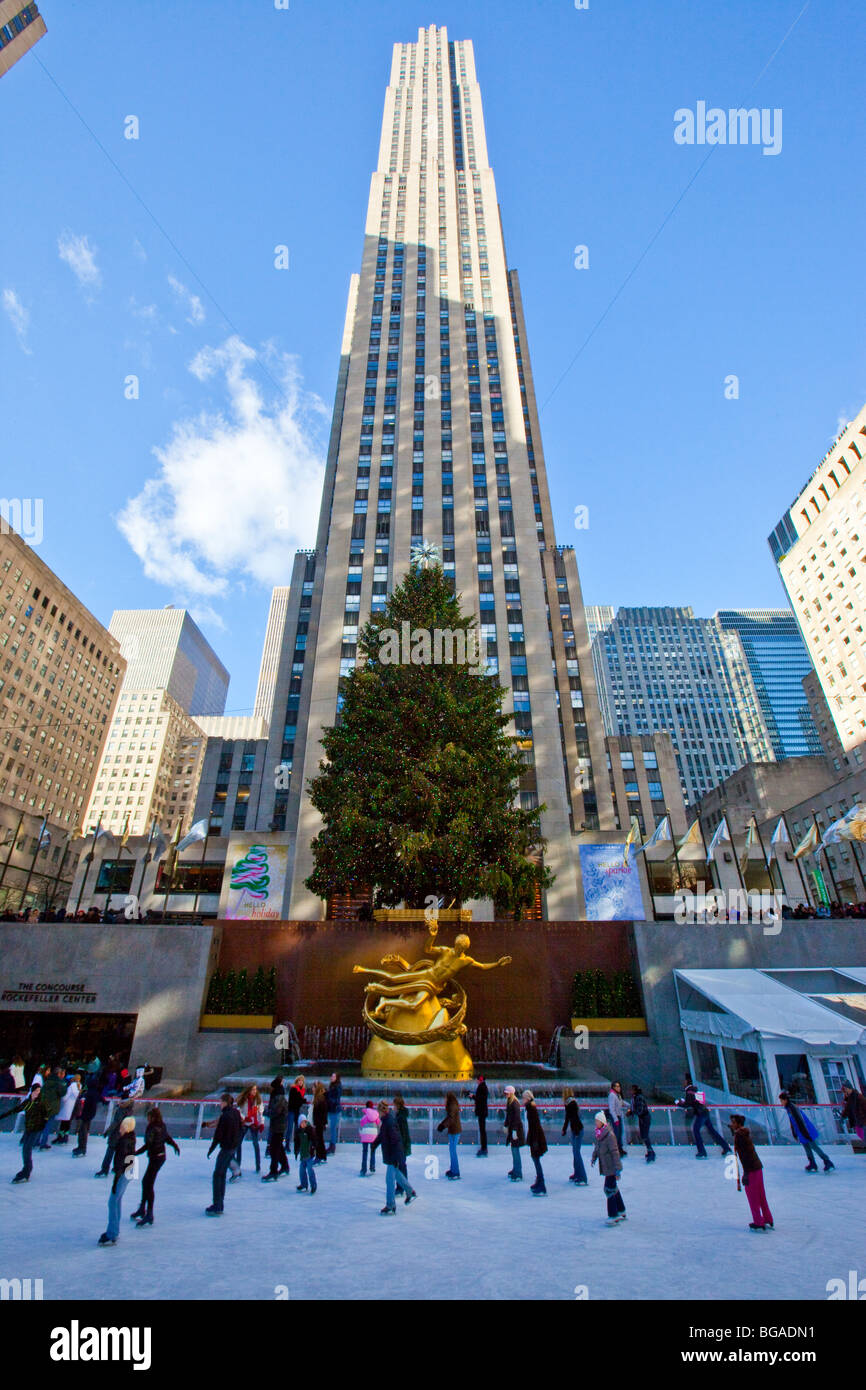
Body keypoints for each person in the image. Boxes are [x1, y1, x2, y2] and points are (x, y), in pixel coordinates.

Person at [130, 1105, 179, 1227]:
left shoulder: (151, 1128)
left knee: (148, 1183)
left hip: (156, 1158)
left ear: (151, 1117)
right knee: (146, 1182)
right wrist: (174, 1145)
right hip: (160, 1157)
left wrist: (135, 1153)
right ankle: (143, 1209)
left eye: (148, 1116)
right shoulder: (162, 1125)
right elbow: (167, 1137)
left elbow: (148, 1144)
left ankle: (149, 1213)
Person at [729, 1114, 773, 1232]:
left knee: (752, 1197)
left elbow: (745, 1155)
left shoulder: (739, 1136)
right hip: (757, 1167)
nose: (732, 1125)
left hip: (751, 1170)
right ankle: (767, 1218)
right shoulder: (743, 1133)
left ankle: (758, 1222)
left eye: (733, 1123)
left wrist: (746, 1173)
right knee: (761, 1195)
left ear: (738, 1124)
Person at [373, 1100, 417, 1214]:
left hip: (394, 1155)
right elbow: (382, 1136)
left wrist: (396, 1157)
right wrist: (374, 1145)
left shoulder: (389, 1122)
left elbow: (395, 1140)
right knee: (397, 1175)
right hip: (393, 1155)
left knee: (389, 1180)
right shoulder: (387, 1121)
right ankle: (410, 1191)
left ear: (381, 1112)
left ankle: (390, 1205)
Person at [98, 1116, 137, 1245]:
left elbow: (121, 1162)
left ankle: (112, 1233)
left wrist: (116, 1180)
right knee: (117, 1200)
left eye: (121, 1126)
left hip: (124, 1172)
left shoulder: (123, 1142)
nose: (119, 1128)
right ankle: (114, 1230)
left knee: (113, 1201)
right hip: (129, 1170)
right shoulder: (131, 1137)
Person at [206, 1093, 243, 1216]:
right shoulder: (236, 1113)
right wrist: (237, 1143)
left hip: (226, 1148)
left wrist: (211, 1149)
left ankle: (218, 1204)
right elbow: (241, 1129)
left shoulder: (225, 1116)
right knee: (220, 1174)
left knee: (218, 1175)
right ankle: (219, 1203)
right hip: (232, 1147)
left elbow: (218, 1135)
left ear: (225, 1103)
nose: (219, 1104)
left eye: (221, 1102)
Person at [779, 1091, 835, 1172]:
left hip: (806, 1130)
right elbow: (792, 1122)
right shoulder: (788, 1109)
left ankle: (827, 1161)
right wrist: (795, 1133)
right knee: (806, 1147)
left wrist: (806, 1134)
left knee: (814, 1146)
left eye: (781, 1101)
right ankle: (812, 1163)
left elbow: (801, 1121)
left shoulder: (792, 1108)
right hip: (801, 1131)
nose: (781, 1103)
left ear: (785, 1100)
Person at [676, 1083, 731, 1159]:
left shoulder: (689, 1092)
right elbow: (694, 1102)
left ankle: (702, 1152)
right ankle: (726, 1148)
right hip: (705, 1112)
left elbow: (687, 1104)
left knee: (696, 1131)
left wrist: (678, 1103)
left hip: (700, 1114)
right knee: (712, 1131)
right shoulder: (695, 1090)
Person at [590, 1110, 626, 1226]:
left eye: (597, 1121)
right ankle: (621, 1210)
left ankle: (613, 1215)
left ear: (602, 1122)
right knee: (613, 1188)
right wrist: (594, 1158)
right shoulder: (599, 1134)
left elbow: (615, 1152)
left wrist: (618, 1168)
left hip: (611, 1167)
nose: (595, 1123)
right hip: (606, 1166)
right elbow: (597, 1148)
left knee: (608, 1189)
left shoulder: (609, 1135)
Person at [8, 1080, 47, 1183]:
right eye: (36, 1090)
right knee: (26, 1148)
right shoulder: (28, 1101)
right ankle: (26, 1169)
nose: (37, 1092)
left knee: (27, 1148)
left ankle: (27, 1171)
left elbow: (45, 1114)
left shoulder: (41, 1102)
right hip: (29, 1127)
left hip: (36, 1128)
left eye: (39, 1090)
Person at [95, 1097, 134, 1177]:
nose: (119, 1102)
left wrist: (107, 1131)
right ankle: (117, 1168)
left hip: (116, 1134)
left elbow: (116, 1122)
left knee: (110, 1151)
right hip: (124, 1134)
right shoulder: (130, 1111)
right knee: (119, 1153)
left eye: (121, 1101)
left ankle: (104, 1169)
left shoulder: (121, 1111)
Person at [262, 1078, 290, 1181]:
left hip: (279, 1127)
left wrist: (264, 1112)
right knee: (278, 1147)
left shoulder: (279, 1098)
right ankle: (285, 1166)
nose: (270, 1089)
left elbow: (275, 1111)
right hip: (277, 1126)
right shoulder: (277, 1096)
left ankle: (273, 1171)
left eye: (272, 1087)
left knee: (274, 1149)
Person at [72, 1069, 103, 1158]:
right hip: (88, 1114)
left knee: (83, 1131)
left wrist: (83, 1114)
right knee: (83, 1131)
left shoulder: (91, 1093)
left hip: (87, 1115)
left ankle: (82, 1148)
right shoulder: (94, 1093)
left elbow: (89, 1104)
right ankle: (81, 1147)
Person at [236, 1084, 264, 1174]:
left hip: (253, 1124)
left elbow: (260, 1113)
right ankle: (238, 1164)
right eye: (253, 1090)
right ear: (249, 1090)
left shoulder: (258, 1100)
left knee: (256, 1144)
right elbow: (239, 1111)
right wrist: (244, 1118)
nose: (254, 1091)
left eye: (255, 1089)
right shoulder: (244, 1100)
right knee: (238, 1143)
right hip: (244, 1123)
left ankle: (258, 1166)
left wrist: (262, 1123)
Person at [523, 1090, 547, 1195]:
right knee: (535, 1160)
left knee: (536, 1161)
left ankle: (541, 1185)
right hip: (535, 1138)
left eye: (523, 1098)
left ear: (527, 1098)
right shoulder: (530, 1108)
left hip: (536, 1139)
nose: (522, 1100)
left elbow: (535, 1126)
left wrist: (535, 1141)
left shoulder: (531, 1109)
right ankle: (538, 1182)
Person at [561, 1087, 587, 1184]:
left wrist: (575, 1131)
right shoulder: (569, 1103)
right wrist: (564, 1129)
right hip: (575, 1130)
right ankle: (577, 1173)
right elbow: (568, 1118)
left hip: (577, 1130)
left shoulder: (571, 1104)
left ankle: (582, 1177)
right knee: (575, 1153)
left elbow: (574, 1118)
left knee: (577, 1153)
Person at [37, 1064, 65, 1149]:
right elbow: (62, 1092)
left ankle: (36, 1141)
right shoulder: (58, 1083)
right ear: (59, 1074)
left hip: (44, 1105)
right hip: (52, 1107)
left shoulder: (47, 1080)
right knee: (48, 1125)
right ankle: (43, 1143)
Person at [628, 1084, 655, 1163]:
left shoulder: (639, 1098)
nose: (630, 1091)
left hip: (645, 1118)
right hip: (642, 1118)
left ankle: (651, 1152)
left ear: (635, 1090)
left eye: (632, 1090)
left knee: (645, 1135)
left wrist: (632, 1112)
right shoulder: (635, 1098)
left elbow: (640, 1110)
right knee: (643, 1135)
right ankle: (650, 1151)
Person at [437, 1092, 461, 1180]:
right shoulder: (452, 1105)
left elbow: (451, 1118)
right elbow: (449, 1118)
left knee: (453, 1151)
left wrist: (442, 1125)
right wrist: (442, 1124)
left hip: (455, 1130)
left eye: (445, 1098)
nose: (444, 1099)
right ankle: (453, 1170)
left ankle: (455, 1172)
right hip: (453, 1130)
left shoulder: (452, 1105)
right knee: (452, 1150)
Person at [53, 1071, 82, 1145]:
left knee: (64, 1123)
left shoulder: (72, 1086)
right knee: (68, 1122)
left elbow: (65, 1097)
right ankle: (65, 1136)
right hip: (74, 1107)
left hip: (67, 1107)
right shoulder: (79, 1086)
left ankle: (61, 1137)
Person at [504, 1084, 525, 1182]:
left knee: (515, 1150)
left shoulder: (515, 1103)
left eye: (507, 1093)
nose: (505, 1095)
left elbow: (517, 1118)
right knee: (513, 1149)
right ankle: (515, 1169)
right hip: (512, 1129)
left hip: (516, 1129)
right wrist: (505, 1125)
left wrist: (515, 1131)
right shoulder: (509, 1101)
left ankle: (518, 1173)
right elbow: (508, 1116)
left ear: (511, 1093)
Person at [296, 1115, 317, 1194]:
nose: (303, 1124)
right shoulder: (299, 1132)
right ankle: (304, 1184)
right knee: (301, 1170)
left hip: (309, 1154)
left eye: (304, 1122)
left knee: (310, 1170)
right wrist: (296, 1150)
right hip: (303, 1154)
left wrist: (313, 1147)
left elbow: (314, 1140)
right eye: (301, 1122)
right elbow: (298, 1142)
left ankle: (313, 1185)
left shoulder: (310, 1130)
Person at [359, 1099, 380, 1176]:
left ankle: (363, 1169)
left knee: (365, 1152)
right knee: (373, 1151)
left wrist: (361, 1135)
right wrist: (377, 1134)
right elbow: (379, 1125)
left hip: (365, 1135)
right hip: (374, 1136)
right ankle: (372, 1167)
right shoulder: (376, 1116)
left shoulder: (364, 1117)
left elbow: (361, 1126)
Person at [393, 1094, 411, 1179]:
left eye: (394, 1106)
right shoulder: (400, 1116)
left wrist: (400, 1145)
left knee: (401, 1166)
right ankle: (403, 1186)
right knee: (401, 1165)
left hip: (401, 1145)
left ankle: (402, 1187)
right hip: (402, 1144)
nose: (393, 1108)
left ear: (398, 1106)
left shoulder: (400, 1118)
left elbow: (402, 1133)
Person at [287, 1076, 306, 1158]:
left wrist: (301, 1101)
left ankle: (297, 1145)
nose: (300, 1082)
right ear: (297, 1081)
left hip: (297, 1111)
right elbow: (296, 1101)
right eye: (299, 1081)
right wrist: (302, 1100)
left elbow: (299, 1101)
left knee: (297, 1129)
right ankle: (287, 1145)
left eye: (302, 1081)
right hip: (291, 1111)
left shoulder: (302, 1090)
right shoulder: (294, 1089)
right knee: (290, 1128)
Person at [606, 1081, 626, 1158]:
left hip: (619, 1116)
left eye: (619, 1086)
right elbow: (611, 1108)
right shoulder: (612, 1095)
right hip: (615, 1117)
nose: (618, 1088)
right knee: (616, 1134)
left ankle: (620, 1149)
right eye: (616, 1086)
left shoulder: (617, 1095)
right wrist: (615, 1119)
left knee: (620, 1133)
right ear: (613, 1087)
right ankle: (616, 1151)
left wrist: (629, 1105)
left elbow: (621, 1102)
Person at [312, 1082, 328, 1163]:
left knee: (318, 1140)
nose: (312, 1089)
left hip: (319, 1123)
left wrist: (322, 1123)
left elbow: (323, 1112)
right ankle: (323, 1156)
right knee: (320, 1139)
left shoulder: (320, 1099)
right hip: (319, 1122)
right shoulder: (318, 1098)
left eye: (314, 1088)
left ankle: (319, 1156)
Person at [326, 1072, 342, 1153]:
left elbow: (336, 1099)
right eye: (331, 1076)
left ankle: (332, 1146)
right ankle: (332, 1145)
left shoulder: (337, 1086)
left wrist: (329, 1100)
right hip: (331, 1109)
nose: (332, 1077)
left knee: (333, 1128)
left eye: (333, 1076)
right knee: (332, 1128)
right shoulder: (332, 1086)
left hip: (334, 1110)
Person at [474, 1075, 489, 1157]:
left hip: (481, 1112)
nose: (476, 1081)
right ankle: (483, 1147)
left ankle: (484, 1148)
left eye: (477, 1080)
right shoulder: (483, 1087)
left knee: (482, 1130)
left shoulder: (482, 1087)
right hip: (482, 1111)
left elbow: (480, 1099)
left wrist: (473, 1096)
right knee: (482, 1130)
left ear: (480, 1080)